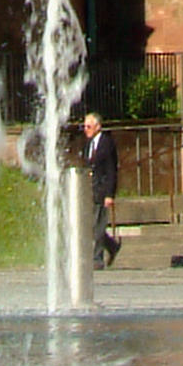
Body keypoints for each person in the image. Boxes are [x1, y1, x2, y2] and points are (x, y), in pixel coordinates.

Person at [74, 109, 120, 268]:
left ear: (98, 127)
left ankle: (97, 258)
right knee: (91, 224)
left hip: (102, 189)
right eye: (84, 127)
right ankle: (112, 246)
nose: (85, 130)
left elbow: (111, 170)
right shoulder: (88, 145)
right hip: (90, 190)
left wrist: (109, 194)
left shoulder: (107, 143)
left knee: (99, 224)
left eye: (89, 126)